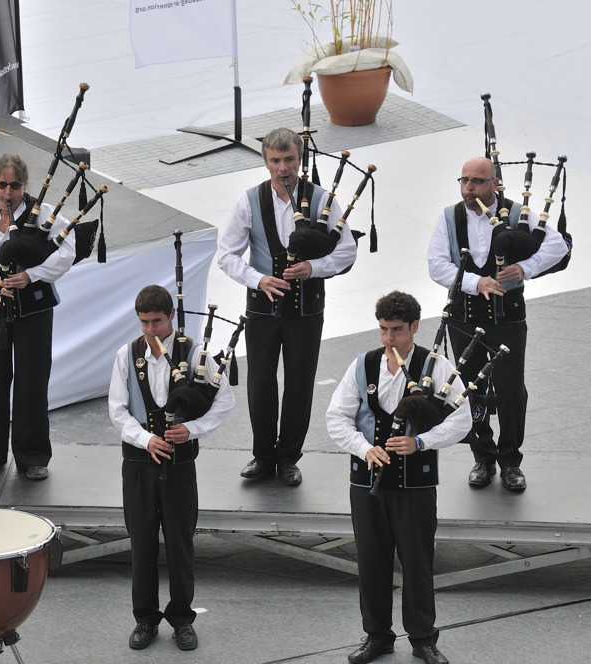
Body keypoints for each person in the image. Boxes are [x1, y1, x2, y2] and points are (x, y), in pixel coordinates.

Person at [325, 291, 471, 664]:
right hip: (367, 481)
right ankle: (378, 637)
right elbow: (336, 417)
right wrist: (364, 448)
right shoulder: (362, 365)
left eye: (397, 331)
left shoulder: (435, 365)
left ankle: (423, 639)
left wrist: (421, 441)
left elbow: (462, 420)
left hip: (416, 484)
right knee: (371, 563)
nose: (389, 338)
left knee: (417, 562)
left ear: (415, 328)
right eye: (383, 330)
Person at [216, 127, 356, 485]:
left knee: (299, 384)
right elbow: (227, 255)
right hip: (262, 308)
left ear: (300, 159)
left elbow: (346, 251)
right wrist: (257, 279)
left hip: (307, 308)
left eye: (289, 159)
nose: (283, 168)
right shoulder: (249, 200)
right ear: (266, 162)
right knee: (261, 382)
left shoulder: (323, 198)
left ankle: (289, 458)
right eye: (276, 161)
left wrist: (314, 268)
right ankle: (262, 456)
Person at [427, 157, 568, 491]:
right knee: (470, 391)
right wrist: (477, 283)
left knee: (510, 392)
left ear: (495, 184)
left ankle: (510, 461)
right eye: (464, 181)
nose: (469, 188)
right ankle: (482, 457)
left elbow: (558, 245)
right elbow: (436, 265)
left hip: (508, 319)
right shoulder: (449, 217)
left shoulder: (518, 213)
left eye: (477, 181)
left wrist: (526, 268)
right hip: (464, 317)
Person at [107, 285, 234, 652]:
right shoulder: (126, 355)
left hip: (180, 466)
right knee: (142, 543)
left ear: (171, 318)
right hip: (138, 466)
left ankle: (181, 619)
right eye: (144, 322)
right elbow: (117, 409)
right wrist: (145, 439)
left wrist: (190, 430)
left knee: (180, 544)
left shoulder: (196, 354)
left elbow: (224, 401)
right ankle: (145, 618)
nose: (149, 330)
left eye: (156, 322)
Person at [0, 153, 76, 481]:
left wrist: (31, 275)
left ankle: (33, 455)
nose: (7, 192)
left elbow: (68, 252)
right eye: (2, 185)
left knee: (32, 379)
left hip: (34, 307)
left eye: (14, 186)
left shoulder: (43, 214)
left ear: (25, 185)